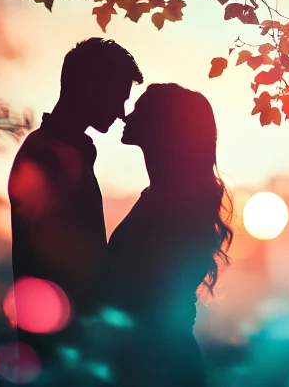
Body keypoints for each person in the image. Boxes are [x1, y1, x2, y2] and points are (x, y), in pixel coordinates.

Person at [8, 38, 143, 386]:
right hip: (61, 348)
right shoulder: (47, 156)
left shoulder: (61, 151)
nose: (121, 112)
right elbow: (62, 263)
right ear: (92, 88)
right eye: (118, 97)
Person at [104, 83, 234, 386]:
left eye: (138, 110)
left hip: (158, 367)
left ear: (160, 126)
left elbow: (151, 298)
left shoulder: (171, 207)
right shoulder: (162, 198)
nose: (125, 116)